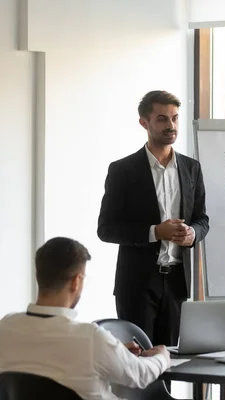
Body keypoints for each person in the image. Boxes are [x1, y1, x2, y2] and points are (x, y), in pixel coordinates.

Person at [98, 90, 209, 346]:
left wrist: (193, 233)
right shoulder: (122, 171)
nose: (171, 126)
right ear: (144, 123)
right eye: (162, 119)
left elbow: (202, 219)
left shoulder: (192, 168)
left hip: (178, 285)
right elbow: (106, 229)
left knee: (168, 362)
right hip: (137, 285)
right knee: (137, 364)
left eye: (175, 118)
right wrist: (156, 232)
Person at [0, 237, 171, 400]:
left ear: (38, 275)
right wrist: (162, 356)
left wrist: (113, 354)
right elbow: (140, 375)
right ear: (76, 281)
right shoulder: (90, 338)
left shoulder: (5, 327)